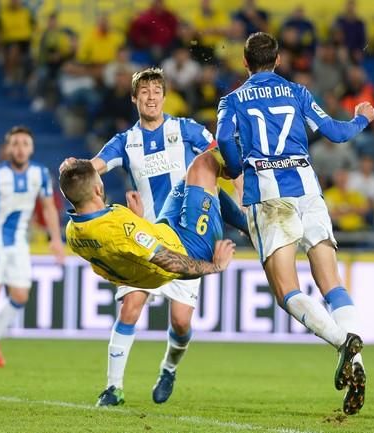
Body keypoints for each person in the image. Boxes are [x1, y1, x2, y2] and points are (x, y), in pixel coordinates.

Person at [65, 67, 247, 407]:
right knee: (130, 308)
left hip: (180, 238)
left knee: (180, 322)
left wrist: (241, 194)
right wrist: (74, 166)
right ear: (134, 99)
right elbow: (94, 168)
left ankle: (169, 367)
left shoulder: (186, 130)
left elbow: (223, 159)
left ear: (165, 96)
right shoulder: (125, 141)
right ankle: (113, 388)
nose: (151, 97)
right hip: (140, 238)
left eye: (156, 91)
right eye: (144, 92)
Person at [216, 32, 374, 415]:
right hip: (308, 191)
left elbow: (224, 139)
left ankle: (342, 343)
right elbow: (336, 133)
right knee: (331, 283)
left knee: (286, 290)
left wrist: (237, 167)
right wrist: (361, 119)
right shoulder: (298, 92)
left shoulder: (233, 100)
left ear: (244, 62)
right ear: (278, 60)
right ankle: (357, 362)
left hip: (270, 197)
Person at [59, 155, 236, 404]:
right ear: (98, 188)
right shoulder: (119, 228)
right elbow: (172, 263)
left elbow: (129, 244)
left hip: (156, 237)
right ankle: (251, 224)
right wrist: (215, 266)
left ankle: (165, 370)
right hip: (188, 249)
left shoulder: (72, 233)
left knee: (180, 323)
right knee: (204, 164)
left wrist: (138, 221)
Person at [0, 126, 65, 368]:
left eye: (25, 144)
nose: (20, 148)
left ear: (31, 148)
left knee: (20, 296)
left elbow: (49, 207)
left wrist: (55, 239)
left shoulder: (40, 174)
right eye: (16, 144)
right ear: (7, 148)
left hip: (20, 240)